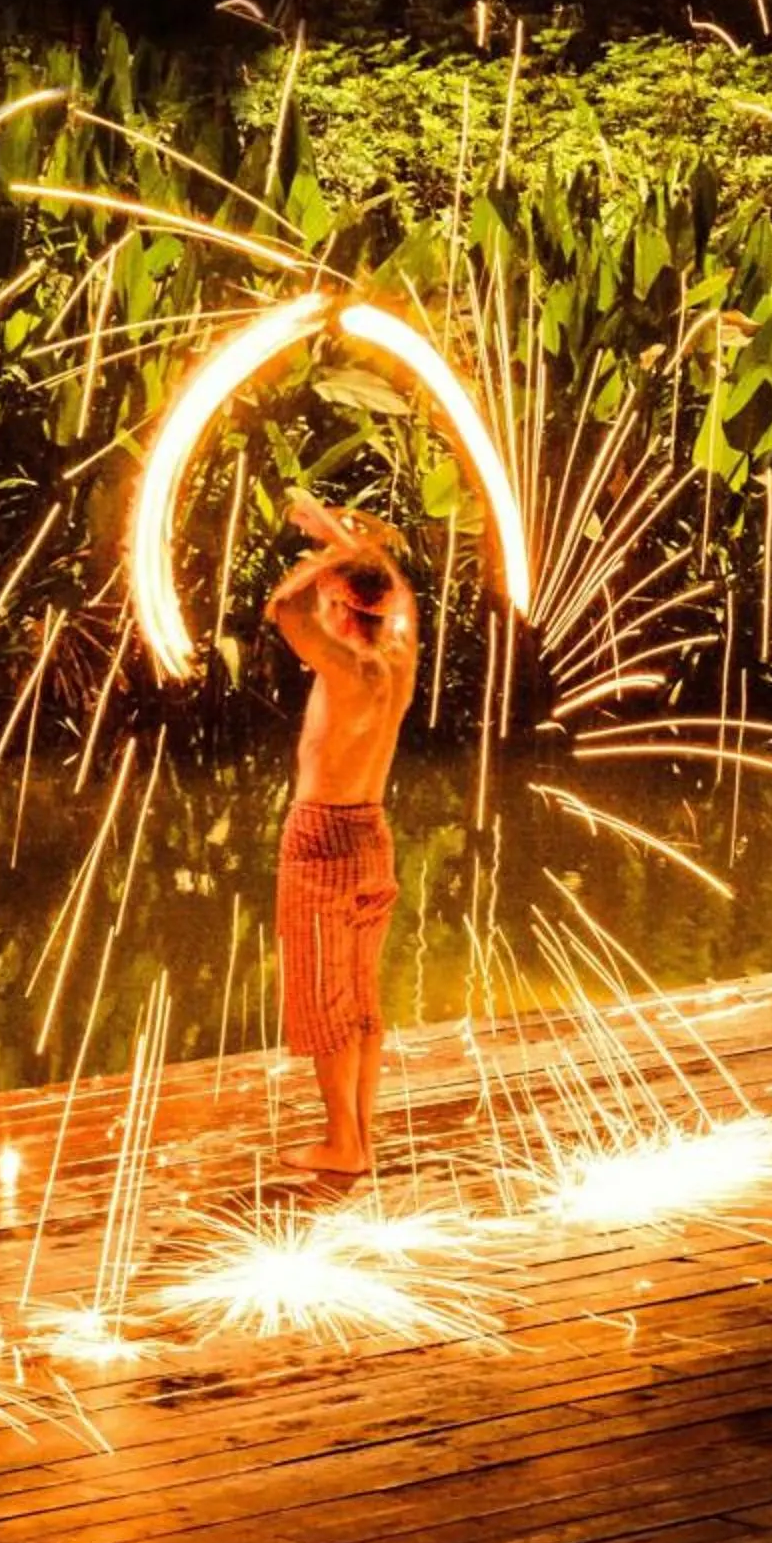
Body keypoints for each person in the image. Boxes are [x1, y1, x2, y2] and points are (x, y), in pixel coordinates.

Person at [265, 493, 418, 1177]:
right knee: (358, 999)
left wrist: (328, 557)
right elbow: (401, 591)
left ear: (339, 605)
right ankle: (360, 1136)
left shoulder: (348, 666)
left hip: (323, 837)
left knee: (328, 1005)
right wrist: (344, 542)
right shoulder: (398, 661)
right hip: (372, 834)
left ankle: (343, 1144)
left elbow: (283, 609)